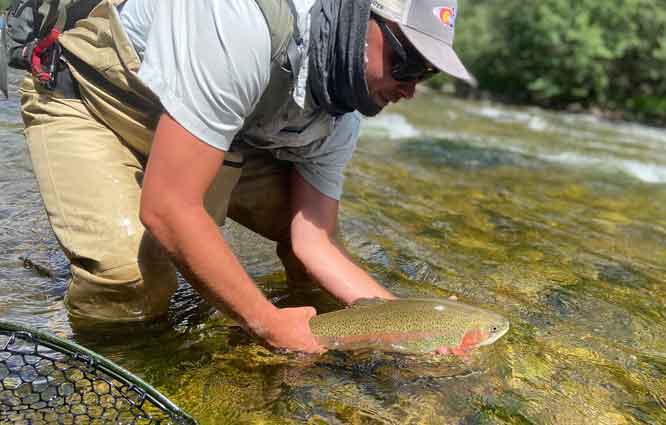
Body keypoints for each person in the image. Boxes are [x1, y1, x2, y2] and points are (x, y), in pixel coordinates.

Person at [20, 0, 475, 353]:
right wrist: (266, 322)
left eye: (428, 73)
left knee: (309, 251)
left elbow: (312, 241)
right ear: (359, 17)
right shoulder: (243, 23)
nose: (412, 88)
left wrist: (407, 323)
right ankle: (94, 354)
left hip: (205, 133)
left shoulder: (340, 113)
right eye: (408, 63)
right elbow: (168, 207)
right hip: (93, 101)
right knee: (131, 281)